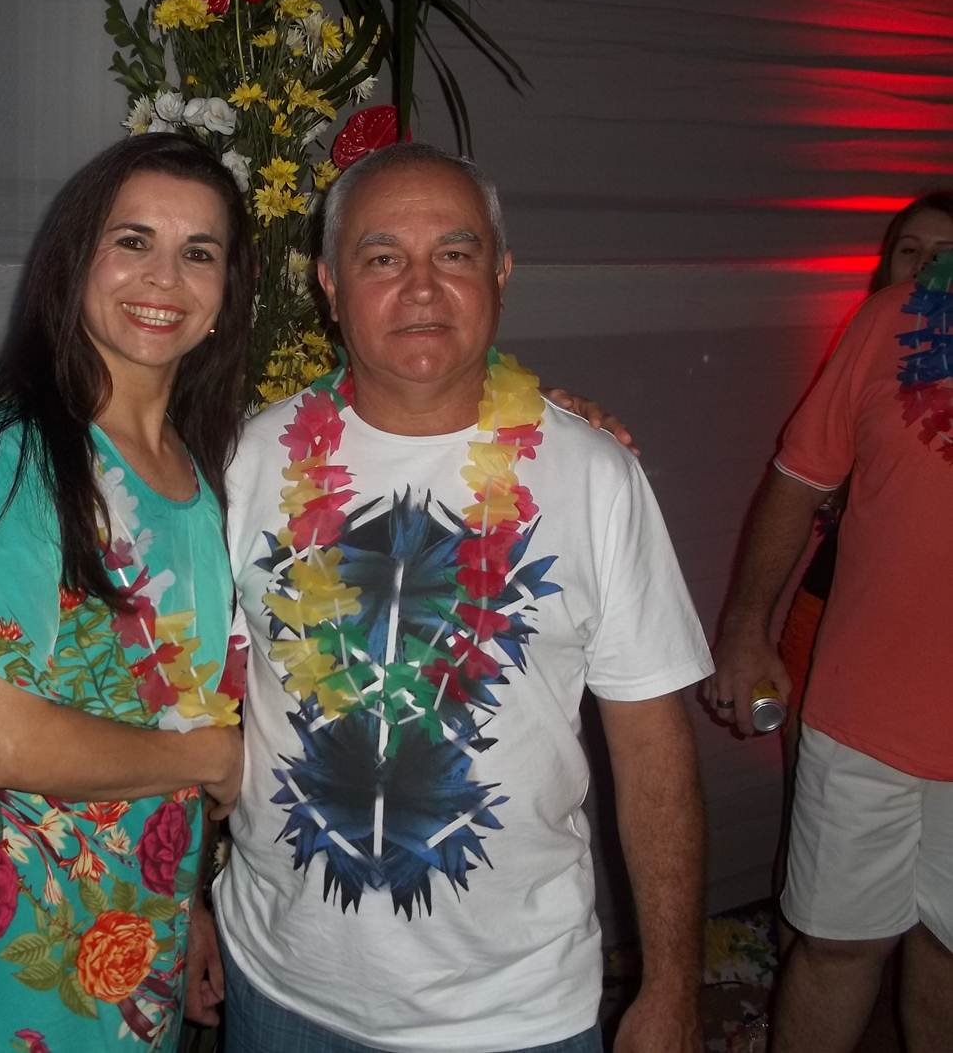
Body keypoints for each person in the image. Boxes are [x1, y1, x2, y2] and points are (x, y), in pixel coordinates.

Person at [187, 142, 712, 1051]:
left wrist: (672, 985)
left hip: (517, 1012)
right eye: (382, 257)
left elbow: (654, 750)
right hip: (279, 987)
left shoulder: (594, 476)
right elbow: (202, 707)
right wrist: (186, 899)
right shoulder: (247, 463)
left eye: (455, 253)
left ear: (501, 273)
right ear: (328, 284)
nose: (422, 287)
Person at [0, 133, 253, 1052]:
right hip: (25, 913)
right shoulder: (16, 454)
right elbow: (8, 742)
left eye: (199, 252)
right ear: (75, 264)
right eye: (133, 241)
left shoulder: (202, 470)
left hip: (141, 910)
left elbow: (170, 698)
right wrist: (212, 758)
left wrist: (187, 897)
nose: (164, 277)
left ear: (225, 295)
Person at [706, 191, 953, 1051]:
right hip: (861, 718)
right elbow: (800, 475)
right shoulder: (894, 317)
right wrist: (746, 627)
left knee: (948, 953)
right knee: (836, 947)